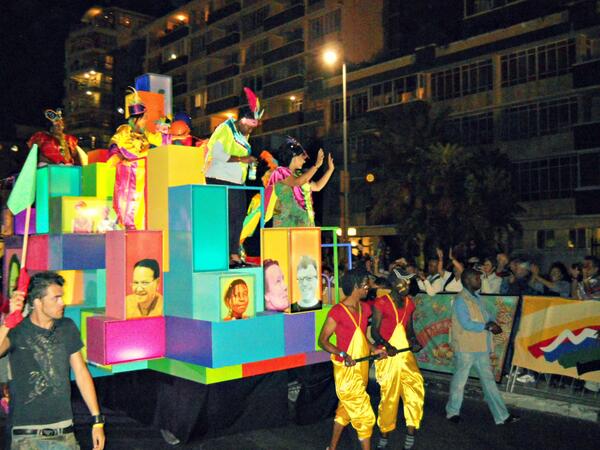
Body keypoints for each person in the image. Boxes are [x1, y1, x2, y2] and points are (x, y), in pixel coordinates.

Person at [0, 271, 105, 449]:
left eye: (62, 297)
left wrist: (97, 420)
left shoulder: (67, 326)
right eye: (56, 298)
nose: (62, 303)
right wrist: (8, 322)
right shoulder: (17, 330)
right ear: (37, 302)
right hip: (26, 435)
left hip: (64, 432)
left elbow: (81, 373)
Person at [318, 268, 386, 450]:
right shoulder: (338, 311)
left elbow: (361, 338)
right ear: (356, 286)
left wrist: (375, 350)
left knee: (345, 409)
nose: (368, 288)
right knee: (364, 413)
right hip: (346, 371)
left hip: (361, 367)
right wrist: (343, 354)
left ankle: (331, 448)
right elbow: (322, 340)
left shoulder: (364, 309)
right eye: (365, 284)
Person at [446, 268, 519, 425]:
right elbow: (466, 323)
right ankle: (452, 411)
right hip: (466, 346)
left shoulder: (477, 297)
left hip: (480, 346)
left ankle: (502, 415)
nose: (480, 281)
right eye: (477, 279)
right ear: (467, 280)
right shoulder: (460, 300)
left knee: (489, 382)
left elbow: (486, 316)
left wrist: (492, 322)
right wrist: (488, 326)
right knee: (460, 382)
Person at [205, 87, 261, 267]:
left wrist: (249, 162)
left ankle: (234, 254)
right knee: (227, 218)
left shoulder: (243, 136)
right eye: (251, 125)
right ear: (243, 120)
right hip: (219, 179)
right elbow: (218, 153)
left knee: (238, 218)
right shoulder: (225, 129)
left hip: (237, 182)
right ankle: (224, 255)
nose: (252, 130)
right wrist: (242, 159)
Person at [371, 269, 424, 450]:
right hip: (388, 356)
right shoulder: (381, 302)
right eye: (403, 282)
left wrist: (415, 341)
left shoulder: (409, 303)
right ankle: (384, 434)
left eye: (409, 283)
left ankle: (411, 431)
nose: (407, 286)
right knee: (389, 397)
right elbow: (374, 332)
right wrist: (386, 345)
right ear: (393, 283)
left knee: (415, 389)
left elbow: (409, 330)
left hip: (405, 356)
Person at [108, 88, 161, 230]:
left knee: (143, 206)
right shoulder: (124, 130)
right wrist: (148, 153)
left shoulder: (145, 134)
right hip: (128, 175)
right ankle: (128, 229)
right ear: (136, 119)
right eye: (144, 118)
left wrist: (178, 137)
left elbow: (161, 140)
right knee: (129, 204)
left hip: (144, 176)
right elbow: (127, 150)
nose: (146, 121)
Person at [266, 136, 334, 227]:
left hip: (304, 222)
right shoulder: (280, 172)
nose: (304, 161)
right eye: (302, 156)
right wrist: (316, 166)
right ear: (294, 157)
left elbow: (317, 187)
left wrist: (330, 170)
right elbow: (296, 182)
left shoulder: (299, 175)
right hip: (287, 223)